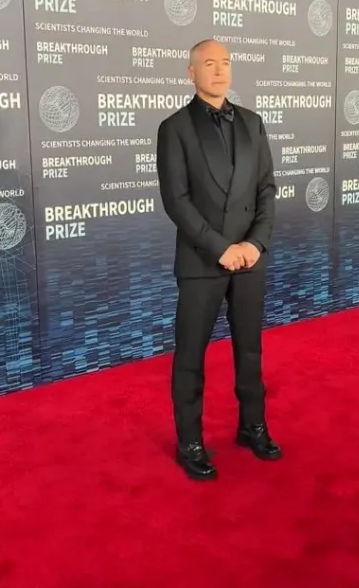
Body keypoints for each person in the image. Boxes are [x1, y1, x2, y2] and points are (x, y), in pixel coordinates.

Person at [156, 38, 282, 481]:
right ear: (191, 73)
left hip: (249, 258)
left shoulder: (253, 122)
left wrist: (255, 244)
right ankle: (190, 440)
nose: (219, 70)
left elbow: (266, 190)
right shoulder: (174, 128)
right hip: (201, 261)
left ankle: (253, 425)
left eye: (225, 63)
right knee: (190, 356)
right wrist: (219, 248)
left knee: (250, 350)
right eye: (209, 64)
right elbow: (177, 200)